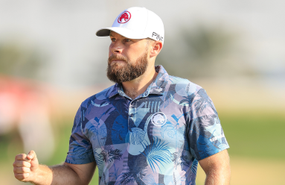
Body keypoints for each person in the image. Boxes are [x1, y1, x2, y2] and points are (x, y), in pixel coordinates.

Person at [13, 7, 231, 185]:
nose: (115, 48)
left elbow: (217, 167)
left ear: (154, 48)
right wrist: (38, 173)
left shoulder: (189, 98)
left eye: (127, 41)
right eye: (113, 39)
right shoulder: (92, 107)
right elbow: (77, 174)